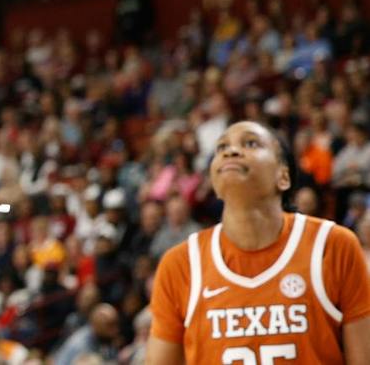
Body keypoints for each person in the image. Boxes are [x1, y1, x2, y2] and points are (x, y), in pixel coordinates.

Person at [148, 121, 370, 364]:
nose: (230, 151)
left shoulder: (333, 246)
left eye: (251, 143)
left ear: (283, 177)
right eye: (221, 147)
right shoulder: (180, 264)